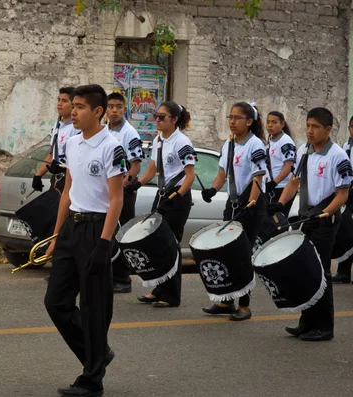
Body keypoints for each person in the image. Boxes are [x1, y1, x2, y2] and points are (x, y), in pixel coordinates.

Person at [44, 84, 125, 397]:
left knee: (94, 308)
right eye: (72, 106)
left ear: (98, 112)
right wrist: (55, 235)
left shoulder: (111, 147)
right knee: (56, 302)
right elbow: (67, 192)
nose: (72, 112)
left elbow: (116, 199)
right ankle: (98, 354)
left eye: (79, 107)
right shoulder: (72, 142)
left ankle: (92, 379)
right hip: (71, 229)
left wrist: (104, 244)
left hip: (96, 230)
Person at [268, 108, 352, 341]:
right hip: (307, 217)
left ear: (327, 129)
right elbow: (294, 181)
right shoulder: (304, 150)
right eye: (307, 125)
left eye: (315, 127)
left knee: (321, 271)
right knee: (305, 270)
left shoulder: (338, 156)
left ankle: (324, 326)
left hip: (325, 219)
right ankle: (306, 322)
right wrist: (280, 202)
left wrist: (323, 214)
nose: (309, 131)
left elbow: (342, 194)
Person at [200, 102, 267, 321]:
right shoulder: (229, 144)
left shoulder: (255, 145)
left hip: (251, 204)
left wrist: (251, 203)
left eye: (237, 118)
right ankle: (226, 301)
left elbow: (258, 178)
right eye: (230, 117)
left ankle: (244, 306)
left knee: (243, 254)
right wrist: (212, 189)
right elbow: (223, 172)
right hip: (234, 202)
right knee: (226, 251)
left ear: (249, 121)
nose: (232, 121)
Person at [125, 102, 195, 307]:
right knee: (158, 244)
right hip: (163, 194)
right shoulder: (158, 140)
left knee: (171, 245)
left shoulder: (182, 142)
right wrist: (136, 183)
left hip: (178, 197)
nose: (157, 119)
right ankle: (159, 288)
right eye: (156, 116)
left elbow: (190, 175)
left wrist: (178, 195)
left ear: (174, 120)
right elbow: (153, 169)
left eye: (162, 117)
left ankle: (171, 295)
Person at [106, 92, 143, 294]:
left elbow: (135, 166)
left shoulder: (130, 133)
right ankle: (109, 276)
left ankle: (123, 278)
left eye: (118, 106)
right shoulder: (104, 130)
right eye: (110, 106)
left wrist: (123, 186)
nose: (114, 110)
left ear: (124, 108)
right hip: (107, 192)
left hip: (123, 192)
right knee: (108, 234)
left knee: (121, 235)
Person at [33, 87, 80, 193]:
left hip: (70, 182)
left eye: (64, 101)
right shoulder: (57, 126)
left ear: (73, 104)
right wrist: (38, 175)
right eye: (59, 100)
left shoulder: (76, 127)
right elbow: (52, 154)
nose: (59, 104)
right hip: (57, 180)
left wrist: (63, 167)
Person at [332, 115, 353, 284]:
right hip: (348, 193)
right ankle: (344, 271)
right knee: (346, 232)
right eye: (352, 126)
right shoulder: (346, 146)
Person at [265, 111, 296, 215]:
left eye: (274, 122)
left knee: (278, 222)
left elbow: (288, 166)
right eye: (268, 122)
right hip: (272, 188)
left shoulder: (285, 141)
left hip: (281, 188)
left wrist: (274, 183)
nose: (270, 125)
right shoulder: (271, 140)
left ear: (282, 124)